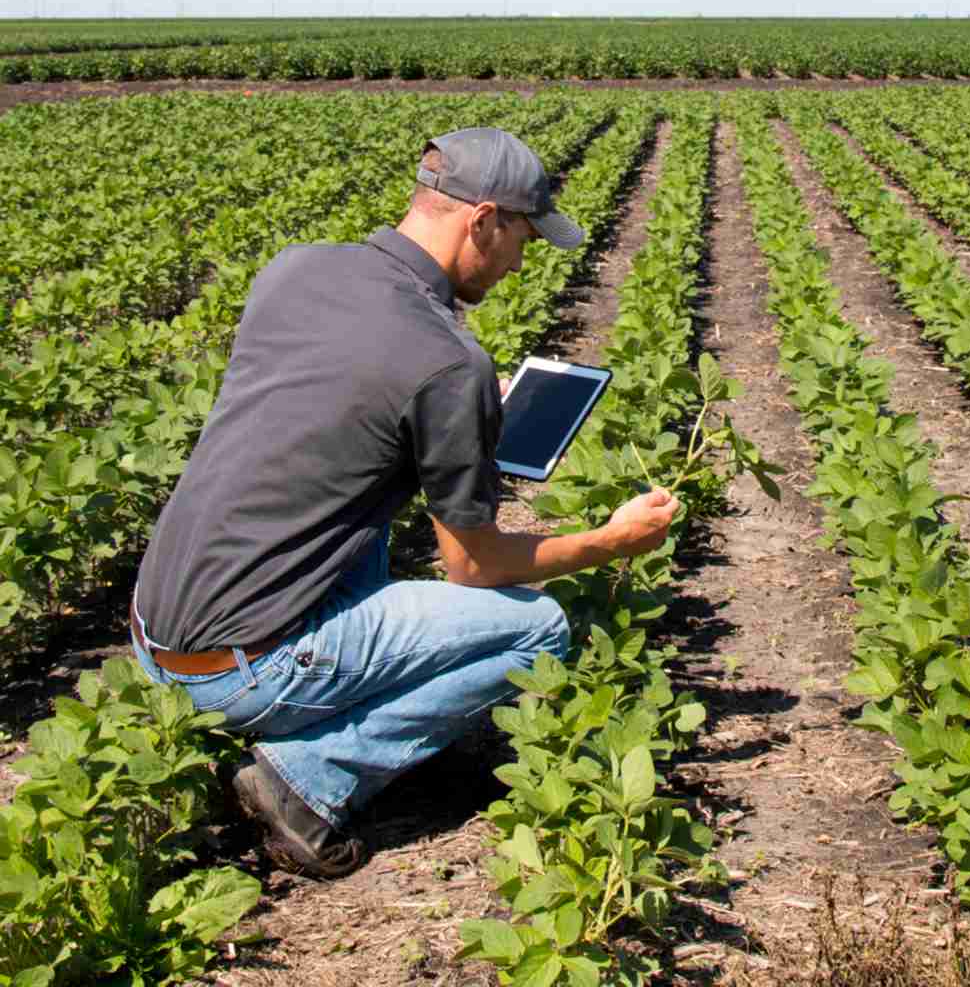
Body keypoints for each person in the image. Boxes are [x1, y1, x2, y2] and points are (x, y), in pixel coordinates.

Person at [129, 127, 680, 880]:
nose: (523, 260)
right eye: (523, 235)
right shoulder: (449, 362)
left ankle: (290, 696)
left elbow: (333, 416)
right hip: (239, 670)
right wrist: (611, 542)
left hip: (155, 631)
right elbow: (472, 567)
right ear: (482, 219)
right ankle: (309, 779)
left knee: (365, 522)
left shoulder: (296, 269)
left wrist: (462, 428)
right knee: (536, 629)